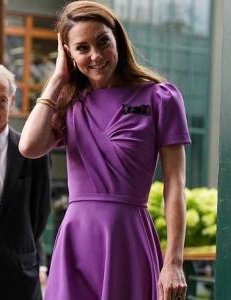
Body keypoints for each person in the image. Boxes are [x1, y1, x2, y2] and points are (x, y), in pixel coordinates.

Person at [19, 1, 190, 300]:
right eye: (82, 48)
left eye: (102, 42)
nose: (96, 56)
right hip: (76, 241)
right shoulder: (69, 102)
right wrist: (58, 78)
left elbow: (175, 185)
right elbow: (29, 146)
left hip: (129, 240)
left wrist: (174, 261)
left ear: (117, 40)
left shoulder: (160, 97)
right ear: (68, 53)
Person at [0, 63, 51, 300]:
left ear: (11, 101)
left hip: (18, 276)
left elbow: (39, 215)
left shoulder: (32, 152)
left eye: (1, 100)